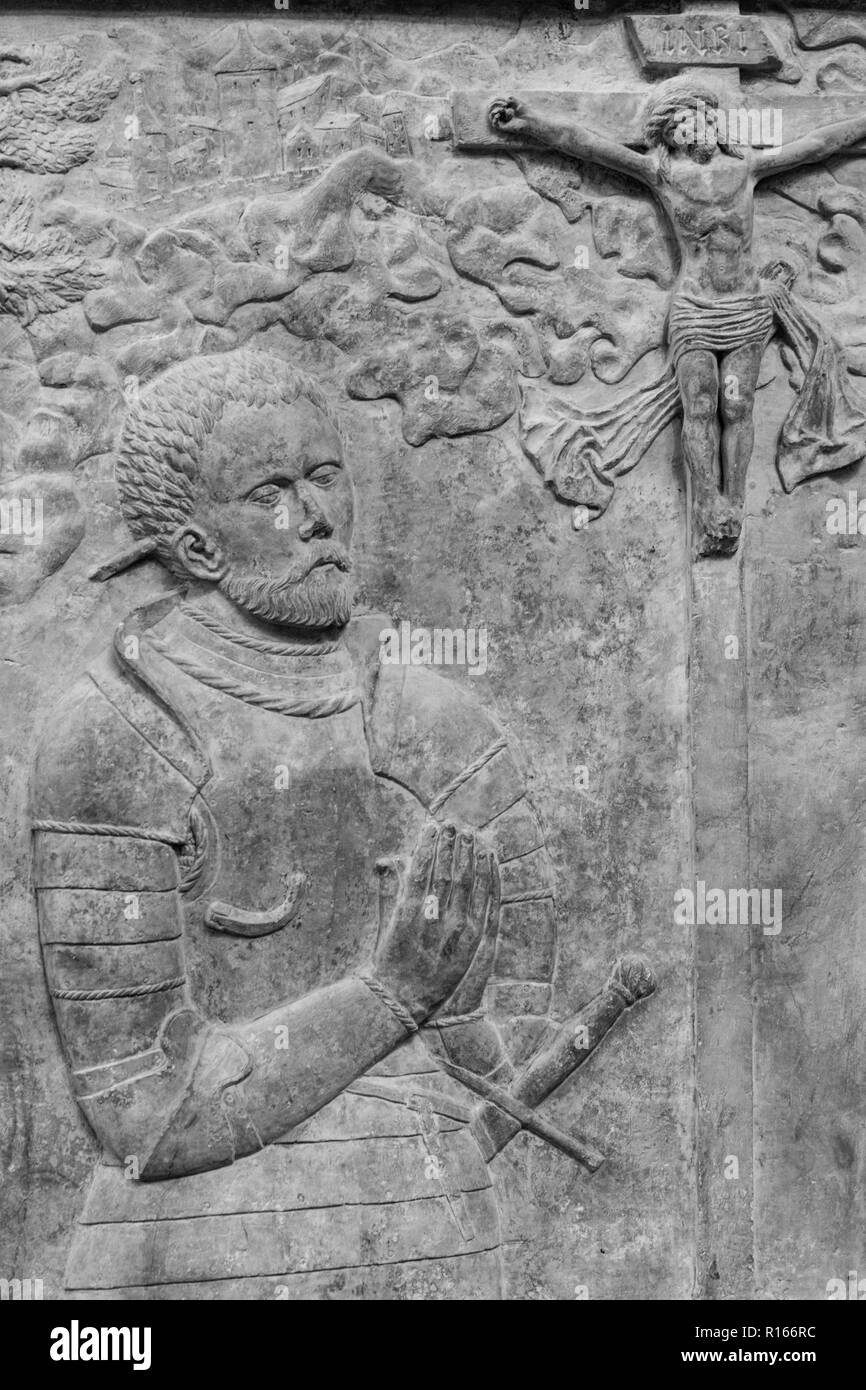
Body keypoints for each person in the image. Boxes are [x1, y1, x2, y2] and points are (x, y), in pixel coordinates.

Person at [31, 348, 557, 1299]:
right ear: (196, 549)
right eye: (268, 493)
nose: (317, 518)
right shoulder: (118, 736)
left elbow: (507, 1033)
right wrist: (390, 996)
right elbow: (144, 1115)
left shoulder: (438, 728)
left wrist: (467, 1033)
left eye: (325, 477)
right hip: (193, 1260)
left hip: (434, 1241)